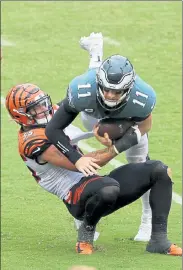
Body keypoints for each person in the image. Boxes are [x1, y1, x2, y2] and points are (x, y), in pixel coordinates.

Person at [5, 83, 182, 256]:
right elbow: (85, 164)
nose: (44, 109)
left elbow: (78, 100)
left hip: (97, 183)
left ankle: (159, 240)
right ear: (21, 116)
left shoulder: (51, 116)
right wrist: (119, 145)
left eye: (43, 103)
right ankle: (85, 235)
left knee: (159, 170)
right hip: (76, 196)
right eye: (35, 108)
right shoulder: (31, 142)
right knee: (108, 188)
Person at [45, 32, 156, 241]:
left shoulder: (143, 96)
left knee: (140, 162)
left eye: (117, 91)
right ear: (99, 83)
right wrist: (77, 159)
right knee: (88, 138)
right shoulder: (83, 88)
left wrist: (115, 148)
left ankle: (147, 221)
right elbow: (53, 129)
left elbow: (146, 124)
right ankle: (96, 55)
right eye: (106, 89)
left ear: (130, 88)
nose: (110, 95)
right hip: (93, 117)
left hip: (128, 122)